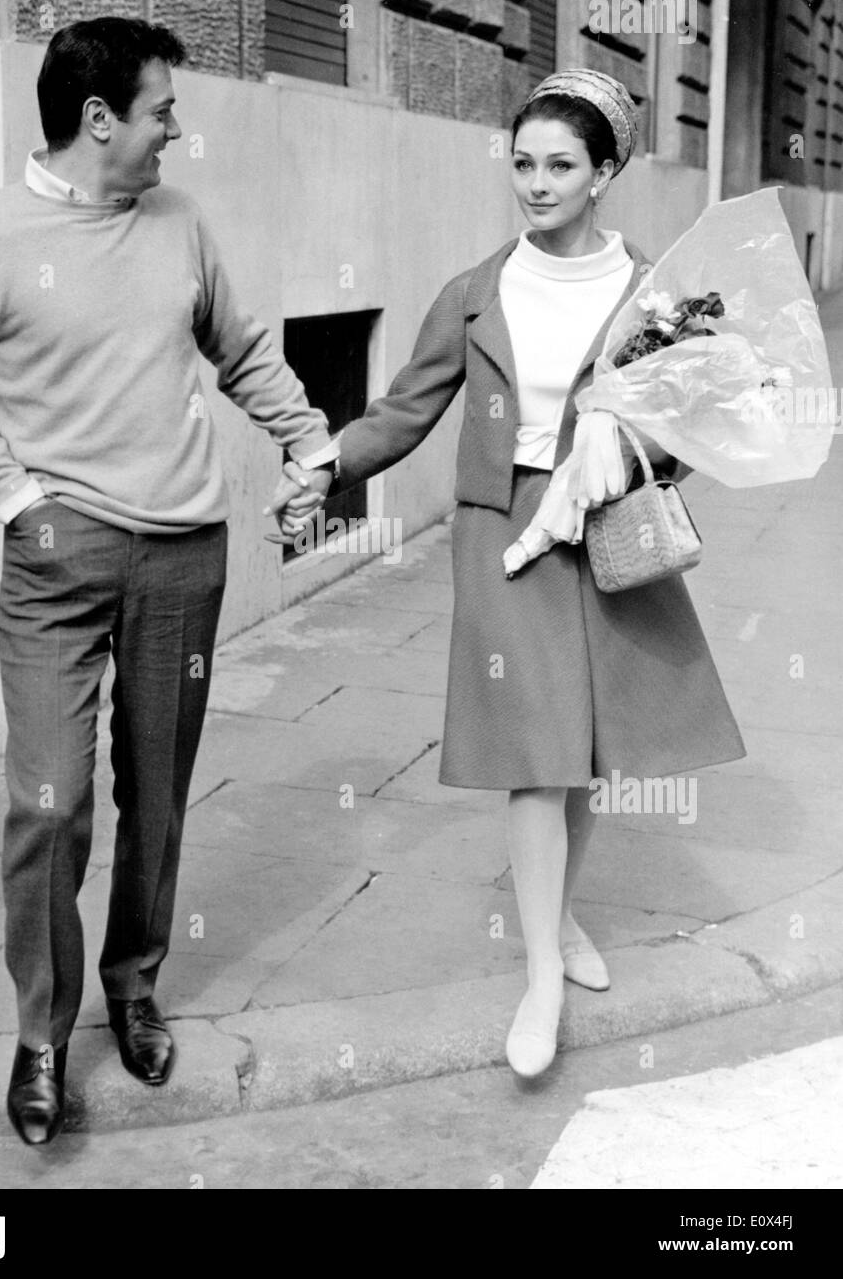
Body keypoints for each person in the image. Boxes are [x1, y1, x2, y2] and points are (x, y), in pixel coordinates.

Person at [270, 69, 745, 1080]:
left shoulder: (653, 290)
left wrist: (633, 450)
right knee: (537, 754)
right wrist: (325, 464)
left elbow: (692, 419)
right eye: (521, 163)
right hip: (506, 530)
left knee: (585, 751)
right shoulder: (477, 289)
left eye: (558, 165)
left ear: (603, 171)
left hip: (609, 522)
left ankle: (558, 914)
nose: (533, 184)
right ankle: (538, 973)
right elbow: (404, 407)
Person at [0, 17, 333, 1144]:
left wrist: (310, 442)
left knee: (155, 792)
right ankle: (40, 1033)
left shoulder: (179, 221)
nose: (174, 130)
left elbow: (239, 348)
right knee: (46, 803)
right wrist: (19, 504)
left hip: (183, 559)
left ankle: (133, 982)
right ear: (98, 118)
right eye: (160, 109)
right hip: (56, 561)